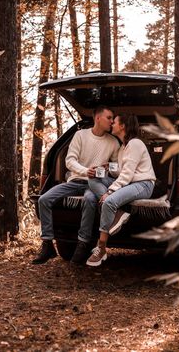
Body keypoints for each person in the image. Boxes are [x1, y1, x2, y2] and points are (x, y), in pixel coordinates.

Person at [32, 105, 120, 265]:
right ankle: (47, 244)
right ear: (98, 118)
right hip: (75, 181)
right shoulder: (80, 135)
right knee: (43, 199)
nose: (112, 121)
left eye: (113, 118)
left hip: (95, 185)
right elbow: (69, 160)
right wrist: (86, 171)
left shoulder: (113, 142)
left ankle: (82, 244)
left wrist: (109, 168)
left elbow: (119, 169)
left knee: (89, 200)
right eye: (109, 117)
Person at [86, 113, 156, 267]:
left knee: (109, 202)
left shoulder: (135, 144)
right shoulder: (123, 147)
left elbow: (127, 174)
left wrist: (110, 192)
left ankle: (102, 248)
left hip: (143, 184)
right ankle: (118, 212)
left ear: (123, 126)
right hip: (129, 182)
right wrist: (107, 168)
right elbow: (120, 171)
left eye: (115, 122)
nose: (112, 124)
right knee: (93, 177)